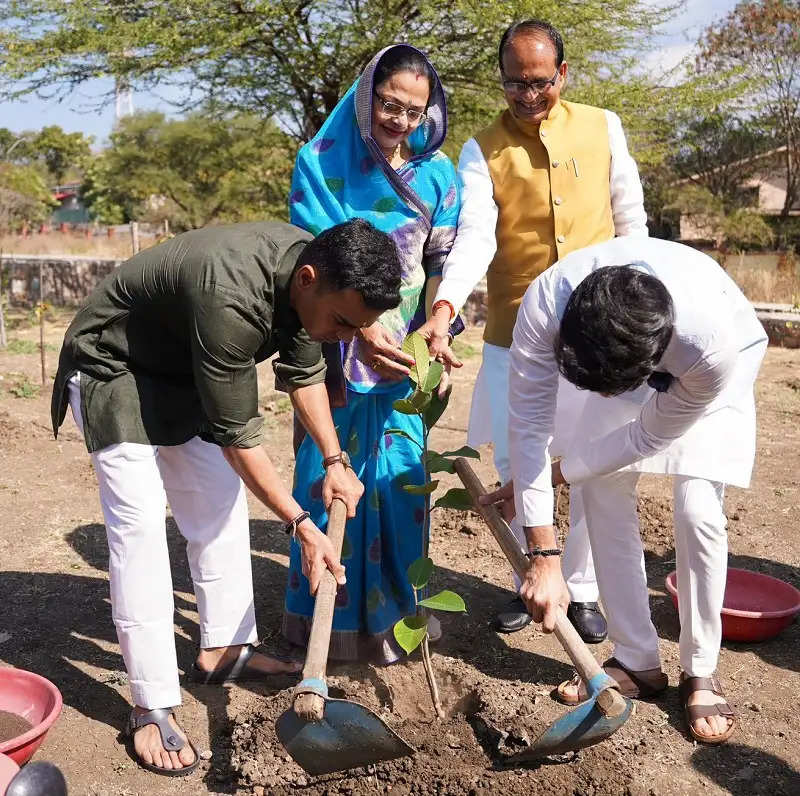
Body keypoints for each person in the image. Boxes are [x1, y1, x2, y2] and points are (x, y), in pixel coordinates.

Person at [50, 218, 403, 775]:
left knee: (217, 505)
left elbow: (306, 370)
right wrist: (301, 523)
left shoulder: (311, 278)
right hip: (115, 366)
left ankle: (223, 651)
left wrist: (335, 463)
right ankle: (152, 703)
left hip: (183, 370)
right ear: (308, 280)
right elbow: (240, 436)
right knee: (139, 530)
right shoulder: (231, 297)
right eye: (343, 322)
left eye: (355, 327)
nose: (345, 336)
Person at [483, 236, 766, 745]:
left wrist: (557, 473)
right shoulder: (548, 303)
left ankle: (700, 667)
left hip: (704, 374)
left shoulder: (711, 349)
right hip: (620, 346)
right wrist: (544, 552)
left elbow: (644, 435)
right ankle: (637, 659)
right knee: (601, 491)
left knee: (697, 506)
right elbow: (528, 423)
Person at [418, 18, 648, 641]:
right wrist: (445, 306)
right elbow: (474, 239)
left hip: (602, 332)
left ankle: (587, 589)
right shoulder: (481, 147)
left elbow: (631, 221)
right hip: (518, 333)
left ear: (562, 76)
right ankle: (531, 576)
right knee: (525, 460)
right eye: (515, 83)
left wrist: (643, 308)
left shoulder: (602, 127)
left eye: (539, 82)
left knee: (595, 459)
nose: (526, 95)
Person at [283, 44, 461, 664]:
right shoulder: (319, 164)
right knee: (326, 480)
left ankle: (394, 619)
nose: (400, 121)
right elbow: (310, 261)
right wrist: (362, 328)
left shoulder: (438, 176)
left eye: (415, 111)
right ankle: (324, 629)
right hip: (336, 347)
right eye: (390, 104)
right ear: (367, 96)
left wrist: (434, 329)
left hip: (407, 352)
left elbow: (443, 263)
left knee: (400, 481)